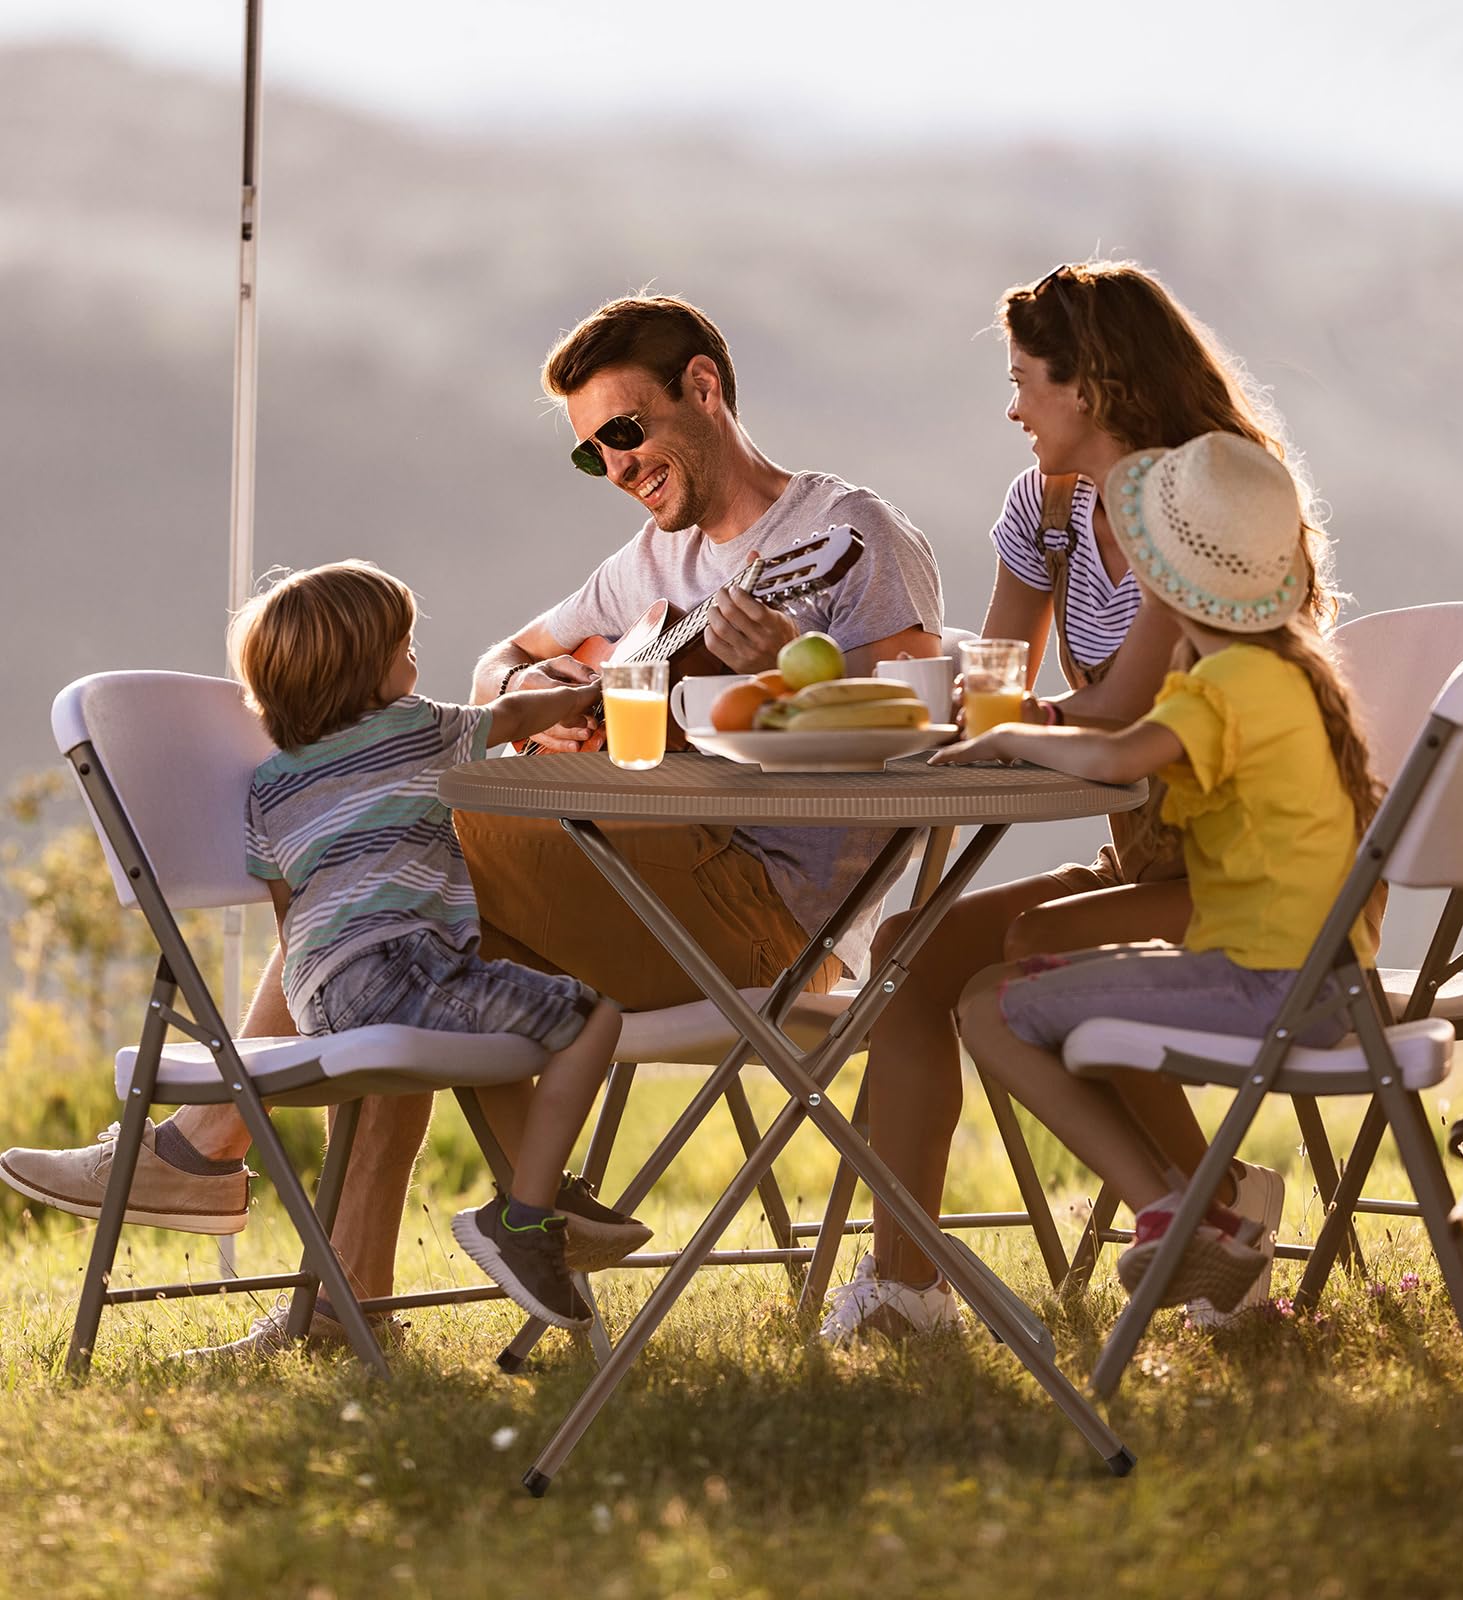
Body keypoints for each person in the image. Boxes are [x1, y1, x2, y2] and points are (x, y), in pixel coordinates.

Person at [2, 294, 943, 1351]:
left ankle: (205, 1141)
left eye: (626, 432)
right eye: (594, 455)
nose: (620, 469)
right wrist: (558, 695)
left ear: (705, 390)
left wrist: (785, 670)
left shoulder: (841, 536)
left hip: (771, 917)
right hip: (636, 893)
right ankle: (342, 1306)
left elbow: (927, 714)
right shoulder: (648, 567)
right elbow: (501, 663)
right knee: (400, 932)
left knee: (409, 836)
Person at [820, 259, 1344, 1343]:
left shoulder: (1190, 510)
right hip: (1145, 852)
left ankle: (1207, 1207)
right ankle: (906, 1286)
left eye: (1025, 381)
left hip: (1224, 869)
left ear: (1090, 385)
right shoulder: (1046, 508)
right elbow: (1006, 667)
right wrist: (963, 705)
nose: (1012, 407)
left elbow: (1118, 705)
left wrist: (1012, 719)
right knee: (913, 947)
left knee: (1014, 948)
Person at [947, 431, 1383, 1310]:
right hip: (1334, 982)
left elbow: (1114, 757)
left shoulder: (1215, 688)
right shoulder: (1291, 675)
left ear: (1159, 577)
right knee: (1030, 975)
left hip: (1266, 987)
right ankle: (1188, 1208)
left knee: (988, 1006)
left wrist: (1005, 733)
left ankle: (1175, 1212)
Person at [240, 559, 643, 1328]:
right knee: (595, 1019)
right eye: (404, 644)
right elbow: (518, 721)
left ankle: (541, 1196)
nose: (414, 657)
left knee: (491, 1001)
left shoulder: (270, 782)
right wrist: (591, 693)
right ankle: (524, 1218)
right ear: (362, 670)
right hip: (402, 968)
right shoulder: (414, 725)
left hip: (320, 994)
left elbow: (288, 910)